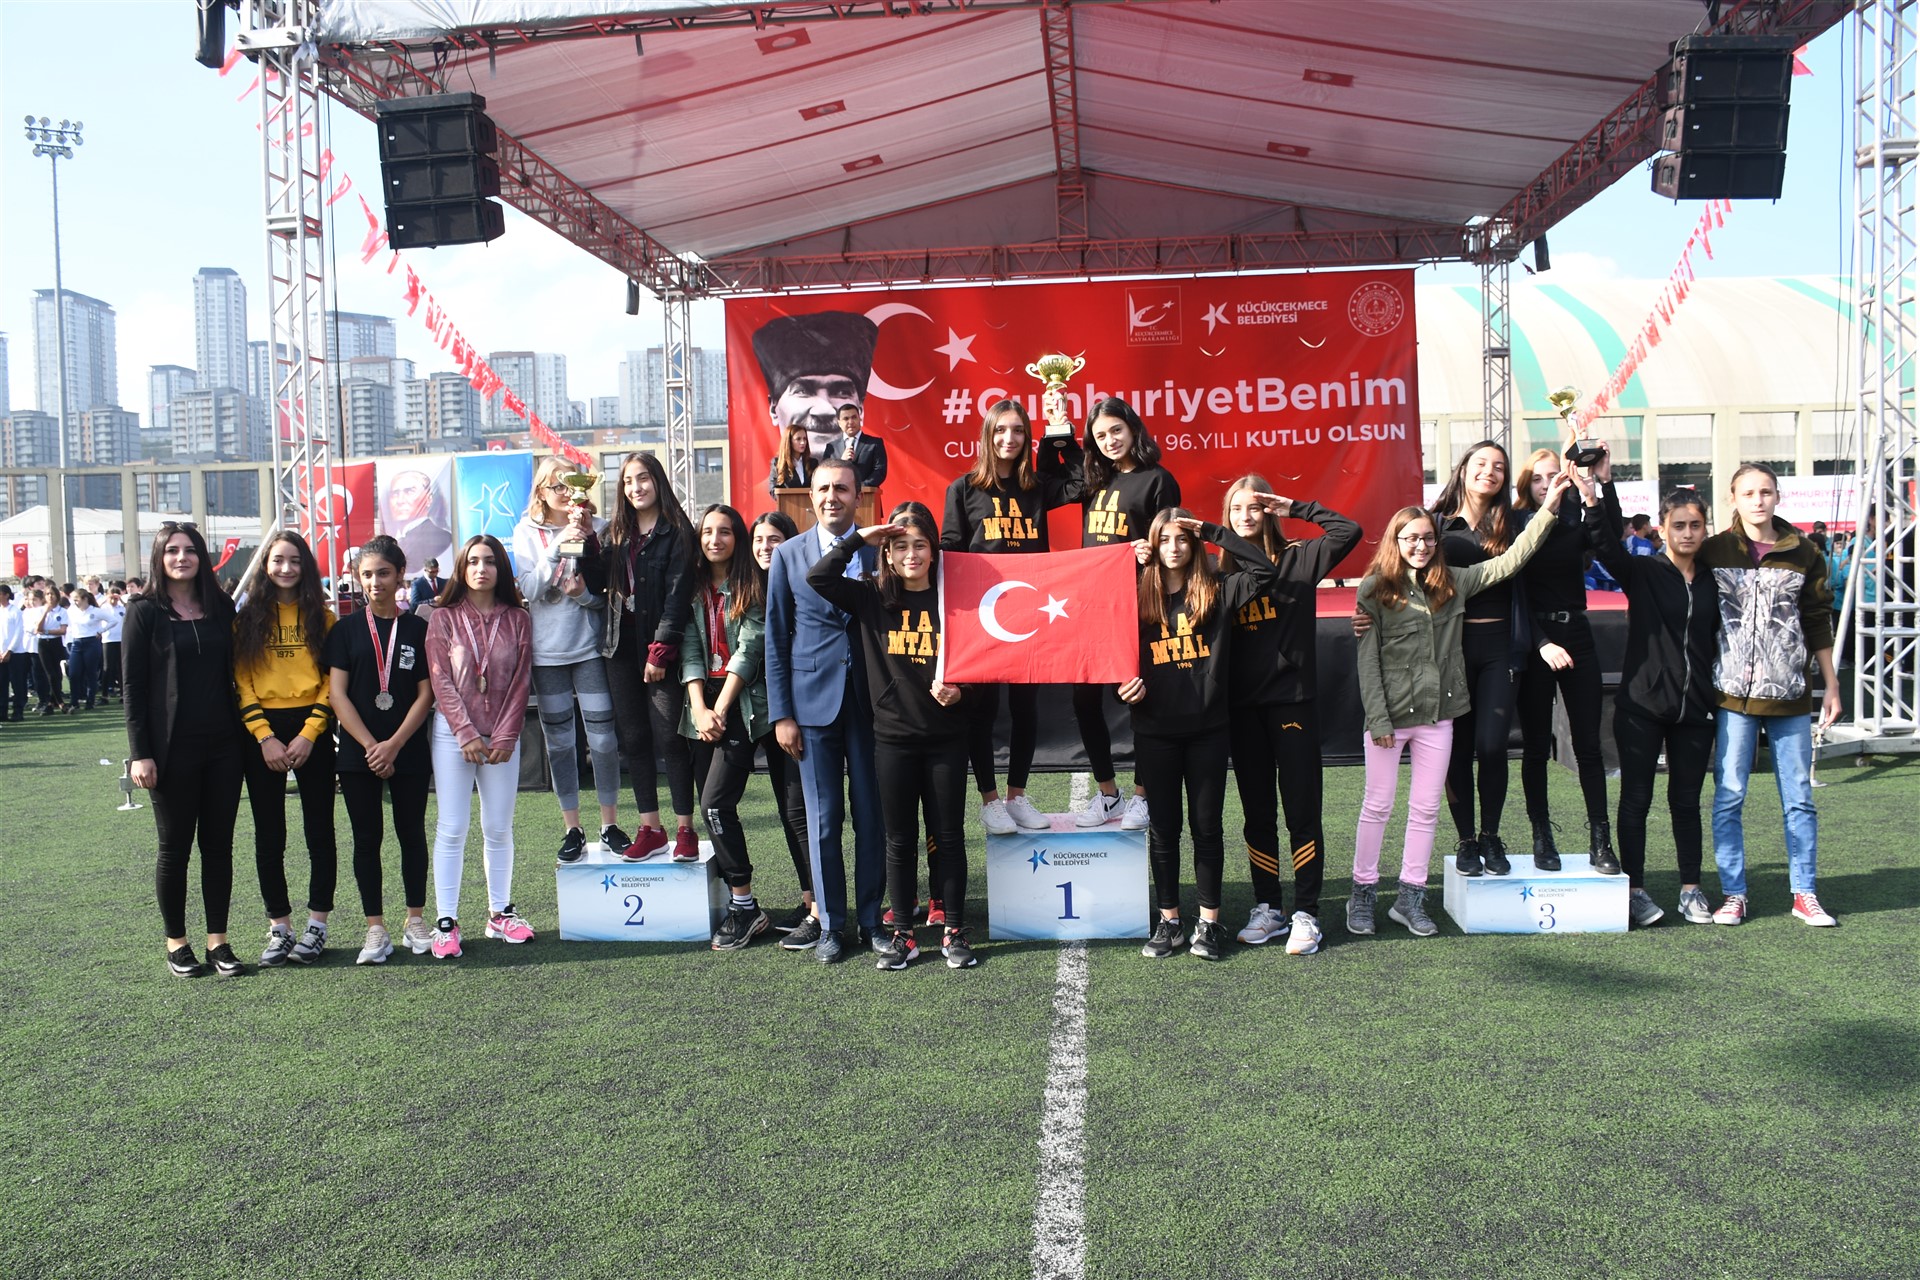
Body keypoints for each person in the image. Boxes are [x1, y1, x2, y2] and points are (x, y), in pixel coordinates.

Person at [1349, 475, 1572, 939]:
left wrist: (1549, 508)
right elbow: (1367, 663)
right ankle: (1363, 894)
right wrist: (1378, 718)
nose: (1421, 546)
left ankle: (1410, 899)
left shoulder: (1454, 582)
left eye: (1428, 538)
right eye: (1411, 538)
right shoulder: (1372, 590)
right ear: (1395, 541)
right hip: (1389, 719)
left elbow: (1511, 560)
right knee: (1378, 805)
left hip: (1438, 719)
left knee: (1426, 810)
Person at [809, 502, 977, 970]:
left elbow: (983, 667)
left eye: (920, 545)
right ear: (887, 552)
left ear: (933, 551)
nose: (911, 554)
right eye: (900, 546)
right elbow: (818, 577)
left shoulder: (955, 600)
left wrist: (961, 693)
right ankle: (904, 933)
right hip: (893, 740)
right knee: (899, 840)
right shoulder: (870, 596)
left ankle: (954, 930)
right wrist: (859, 538)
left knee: (949, 836)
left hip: (946, 739)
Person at [1118, 505, 1283, 960]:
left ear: (1194, 544)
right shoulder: (1136, 592)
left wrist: (1213, 530)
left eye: (1182, 539)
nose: (1173, 548)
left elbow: (1265, 570)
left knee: (1206, 828)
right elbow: (1110, 648)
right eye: (1164, 539)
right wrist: (1121, 688)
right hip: (1154, 730)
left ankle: (1209, 923)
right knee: (1164, 830)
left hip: (1208, 730)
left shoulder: (1219, 588)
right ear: (1153, 544)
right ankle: (1170, 921)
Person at [1218, 474, 1362, 955]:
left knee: (1301, 811)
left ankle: (1306, 912)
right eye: (1237, 508)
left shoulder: (1299, 558)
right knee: (1256, 814)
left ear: (1268, 512)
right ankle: (1268, 907)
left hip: (1292, 704)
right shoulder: (1218, 573)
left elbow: (1349, 531)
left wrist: (1297, 506)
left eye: (1254, 507)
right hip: (1243, 709)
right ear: (1226, 517)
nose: (1245, 516)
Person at [1698, 463, 1841, 927]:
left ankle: (1805, 893)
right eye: (1749, 493)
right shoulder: (1713, 549)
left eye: (1766, 492)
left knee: (1799, 799)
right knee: (1729, 797)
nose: (1758, 500)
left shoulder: (1806, 551)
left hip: (1791, 695)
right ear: (1733, 499)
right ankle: (1733, 894)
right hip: (1731, 697)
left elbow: (1817, 618)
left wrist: (1832, 684)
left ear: (1778, 496)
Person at [1586, 458, 1718, 927]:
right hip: (1641, 706)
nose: (1687, 533)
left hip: (1696, 708)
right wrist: (1602, 488)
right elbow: (1605, 543)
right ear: (1662, 528)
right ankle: (1635, 890)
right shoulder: (1642, 572)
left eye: (1695, 525)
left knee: (1686, 802)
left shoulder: (1715, 579)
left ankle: (1691, 889)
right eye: (1678, 525)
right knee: (1636, 800)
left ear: (1705, 529)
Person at [1038, 397, 1181, 829]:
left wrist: (1150, 551)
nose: (1110, 440)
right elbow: (1047, 483)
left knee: (1141, 699)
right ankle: (1108, 794)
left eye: (1116, 430)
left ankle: (1142, 795)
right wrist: (1056, 430)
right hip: (1091, 604)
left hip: (1138, 605)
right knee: (1084, 700)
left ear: (1133, 428)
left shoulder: (1158, 479)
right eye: (1100, 435)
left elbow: (1174, 543)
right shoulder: (1094, 476)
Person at [765, 458, 887, 963]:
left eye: (841, 488)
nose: (831, 496)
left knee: (871, 817)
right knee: (823, 820)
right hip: (811, 706)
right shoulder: (787, 555)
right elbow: (776, 638)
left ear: (858, 496)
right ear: (810, 497)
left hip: (872, 704)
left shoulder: (880, 550)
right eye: (822, 489)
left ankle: (872, 921)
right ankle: (832, 924)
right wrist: (782, 714)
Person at [941, 398, 1073, 836]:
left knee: (1024, 707)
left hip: (1030, 611)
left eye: (1018, 430)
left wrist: (1059, 431)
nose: (1009, 438)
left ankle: (1017, 797)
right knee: (982, 708)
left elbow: (1080, 482)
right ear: (987, 435)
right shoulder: (963, 489)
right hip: (982, 616)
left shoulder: (1037, 485)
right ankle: (990, 801)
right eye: (1000, 430)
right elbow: (950, 548)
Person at [125, 521, 248, 978]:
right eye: (172, 550)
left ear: (202, 557)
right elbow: (133, 688)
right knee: (174, 848)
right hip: (169, 750)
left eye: (190, 550)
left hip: (224, 746)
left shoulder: (221, 606)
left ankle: (219, 941)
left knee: (218, 846)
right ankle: (176, 943)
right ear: (159, 558)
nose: (182, 558)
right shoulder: (143, 611)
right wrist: (140, 753)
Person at [584, 452, 700, 862]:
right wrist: (586, 541)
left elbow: (678, 597)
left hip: (659, 649)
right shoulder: (615, 533)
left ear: (658, 481)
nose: (636, 488)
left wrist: (660, 651)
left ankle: (686, 829)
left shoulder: (678, 531)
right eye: (628, 481)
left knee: (670, 737)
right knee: (633, 738)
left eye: (643, 478)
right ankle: (651, 828)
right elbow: (597, 584)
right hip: (618, 647)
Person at [425, 534, 535, 957]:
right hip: (454, 735)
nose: (481, 569)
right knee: (452, 827)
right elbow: (441, 680)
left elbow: (521, 681)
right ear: (461, 568)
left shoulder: (519, 618)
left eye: (489, 561)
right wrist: (465, 733)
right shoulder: (443, 618)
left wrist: (505, 734)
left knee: (498, 827)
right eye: (472, 561)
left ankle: (500, 913)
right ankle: (446, 922)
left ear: (500, 568)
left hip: (502, 738)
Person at [327, 536, 436, 963]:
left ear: (400, 574)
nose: (375, 582)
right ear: (358, 578)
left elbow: (426, 694)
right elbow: (337, 695)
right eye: (367, 574)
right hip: (359, 753)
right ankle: (375, 928)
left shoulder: (418, 630)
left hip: (407, 748)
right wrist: (373, 746)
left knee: (412, 834)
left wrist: (395, 744)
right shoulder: (345, 630)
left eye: (384, 573)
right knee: (366, 838)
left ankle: (415, 920)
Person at [514, 457, 629, 863]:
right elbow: (530, 589)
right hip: (547, 655)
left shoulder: (599, 527)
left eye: (571, 485)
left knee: (604, 740)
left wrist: (583, 596)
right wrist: (558, 543)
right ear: (541, 492)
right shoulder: (525, 532)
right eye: (557, 486)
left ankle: (610, 825)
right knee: (560, 744)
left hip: (590, 650)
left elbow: (609, 599)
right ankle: (572, 828)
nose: (566, 493)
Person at [233, 531, 338, 966]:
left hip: (312, 728)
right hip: (264, 733)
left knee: (320, 831)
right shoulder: (246, 619)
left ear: (305, 566)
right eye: (277, 560)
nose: (286, 568)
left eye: (294, 560)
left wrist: (311, 732)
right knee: (269, 834)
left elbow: (333, 682)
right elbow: (242, 682)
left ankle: (316, 927)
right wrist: (264, 736)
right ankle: (280, 928)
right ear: (265, 565)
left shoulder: (324, 618)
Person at [1511, 448, 1613, 874]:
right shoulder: (1516, 522)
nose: (1547, 483)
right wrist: (1541, 642)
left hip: (1578, 634)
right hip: (1536, 640)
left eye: (1554, 475)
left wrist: (1598, 489)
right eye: (1537, 478)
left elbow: (1609, 544)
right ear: (1526, 484)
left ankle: (1601, 841)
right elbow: (1514, 591)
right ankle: (1542, 836)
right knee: (1536, 746)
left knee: (1588, 745)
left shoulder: (1574, 518)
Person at [679, 504, 777, 951]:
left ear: (738, 538)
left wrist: (718, 709)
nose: (714, 540)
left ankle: (744, 905)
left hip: (741, 704)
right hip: (704, 708)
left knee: (715, 804)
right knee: (713, 809)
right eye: (707, 532)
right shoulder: (694, 586)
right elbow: (690, 651)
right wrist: (699, 707)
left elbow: (749, 650)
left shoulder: (751, 584)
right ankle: (740, 904)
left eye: (724, 532)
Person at [1430, 440, 1529, 877]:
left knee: (1491, 746)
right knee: (1456, 748)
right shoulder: (1437, 523)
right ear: (1463, 469)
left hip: (1500, 648)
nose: (1489, 471)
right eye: (1481, 463)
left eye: (1499, 467)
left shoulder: (1515, 522)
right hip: (1450, 649)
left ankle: (1491, 834)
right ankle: (1467, 839)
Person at [746, 511, 816, 932]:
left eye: (774, 539)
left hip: (799, 713)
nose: (765, 547)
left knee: (803, 812)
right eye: (758, 540)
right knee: (791, 812)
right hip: (766, 716)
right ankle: (810, 899)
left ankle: (820, 905)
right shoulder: (748, 587)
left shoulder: (799, 581)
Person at [751, 310, 879, 467]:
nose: (824, 410)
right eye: (803, 391)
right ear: (773, 408)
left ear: (860, 410)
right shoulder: (777, 478)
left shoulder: (869, 463)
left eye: (841, 392)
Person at [385, 468, 454, 573]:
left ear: (429, 499)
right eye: (395, 494)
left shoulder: (442, 538)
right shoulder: (393, 539)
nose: (400, 500)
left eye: (409, 492)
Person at [63, 587, 106, 711]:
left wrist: (101, 631)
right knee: (73, 673)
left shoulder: (95, 611)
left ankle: (90, 701)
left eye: (77, 599)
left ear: (85, 599)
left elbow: (113, 621)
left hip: (91, 642)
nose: (75, 602)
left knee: (90, 673)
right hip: (77, 642)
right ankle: (74, 701)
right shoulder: (71, 611)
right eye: (73, 600)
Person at [831, 402, 888, 491]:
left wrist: (861, 487)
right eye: (846, 418)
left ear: (859, 418)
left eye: (854, 417)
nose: (851, 422)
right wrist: (841, 462)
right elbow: (826, 473)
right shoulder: (832, 447)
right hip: (840, 494)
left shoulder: (874, 443)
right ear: (839, 423)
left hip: (866, 495)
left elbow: (880, 471)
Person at [31, 585, 68, 714]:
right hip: (43, 643)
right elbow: (37, 628)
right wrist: (45, 612)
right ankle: (60, 702)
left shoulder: (62, 611)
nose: (50, 596)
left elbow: (62, 630)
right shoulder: (40, 610)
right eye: (47, 594)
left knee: (57, 674)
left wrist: (47, 631)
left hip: (56, 642)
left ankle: (51, 703)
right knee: (50, 673)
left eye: (52, 594)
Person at [0, 584, 28, 721]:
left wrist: (9, 650)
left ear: (6, 595)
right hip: (1, 653)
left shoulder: (15, 611)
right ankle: (2, 712)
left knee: (17, 683)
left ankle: (18, 711)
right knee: (2, 684)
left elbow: (18, 633)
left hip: (16, 653)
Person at [766, 424, 814, 496]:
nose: (803, 442)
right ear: (789, 441)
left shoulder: (812, 463)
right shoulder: (778, 463)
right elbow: (773, 490)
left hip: (808, 502)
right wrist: (786, 500)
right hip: (787, 503)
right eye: (798, 439)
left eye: (805, 439)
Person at [101, 585, 126, 700]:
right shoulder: (104, 608)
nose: (113, 601)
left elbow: (130, 609)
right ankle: (104, 694)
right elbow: (94, 608)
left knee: (121, 667)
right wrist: (105, 599)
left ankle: (123, 694)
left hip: (121, 640)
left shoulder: (122, 608)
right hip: (108, 640)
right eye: (111, 598)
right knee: (107, 667)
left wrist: (121, 600)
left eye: (115, 598)